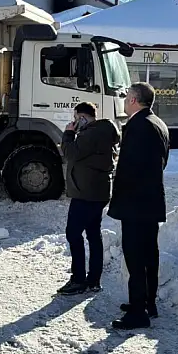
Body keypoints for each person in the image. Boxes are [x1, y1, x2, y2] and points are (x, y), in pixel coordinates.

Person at [108, 82, 170, 330]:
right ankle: (147, 303)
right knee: (149, 255)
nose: (124, 101)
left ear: (134, 100)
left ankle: (138, 312)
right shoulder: (158, 123)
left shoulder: (138, 126)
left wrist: (118, 198)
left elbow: (129, 169)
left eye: (126, 97)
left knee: (135, 258)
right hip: (151, 201)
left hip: (135, 204)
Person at [58, 101, 121, 295]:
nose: (74, 122)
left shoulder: (91, 134)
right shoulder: (102, 131)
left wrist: (69, 133)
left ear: (83, 117)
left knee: (73, 233)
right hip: (96, 192)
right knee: (93, 234)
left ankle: (78, 280)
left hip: (86, 194)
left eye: (76, 118)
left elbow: (70, 154)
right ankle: (93, 279)